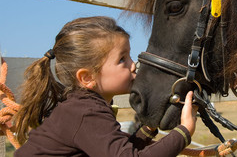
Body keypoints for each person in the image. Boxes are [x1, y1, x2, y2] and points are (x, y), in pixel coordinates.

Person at [14, 16, 198, 156]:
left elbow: (118, 150)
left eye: (129, 56)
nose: (133, 65)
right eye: (122, 59)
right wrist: (184, 132)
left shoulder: (82, 106)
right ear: (87, 78)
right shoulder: (86, 112)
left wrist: (147, 129)